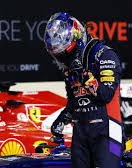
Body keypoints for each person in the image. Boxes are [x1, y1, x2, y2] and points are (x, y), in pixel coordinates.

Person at [44, 12, 123, 168]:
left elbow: (106, 94)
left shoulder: (105, 55)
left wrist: (84, 76)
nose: (63, 58)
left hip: (108, 133)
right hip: (81, 132)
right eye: (58, 55)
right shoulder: (70, 66)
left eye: (65, 52)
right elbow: (74, 100)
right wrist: (63, 117)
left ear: (76, 39)